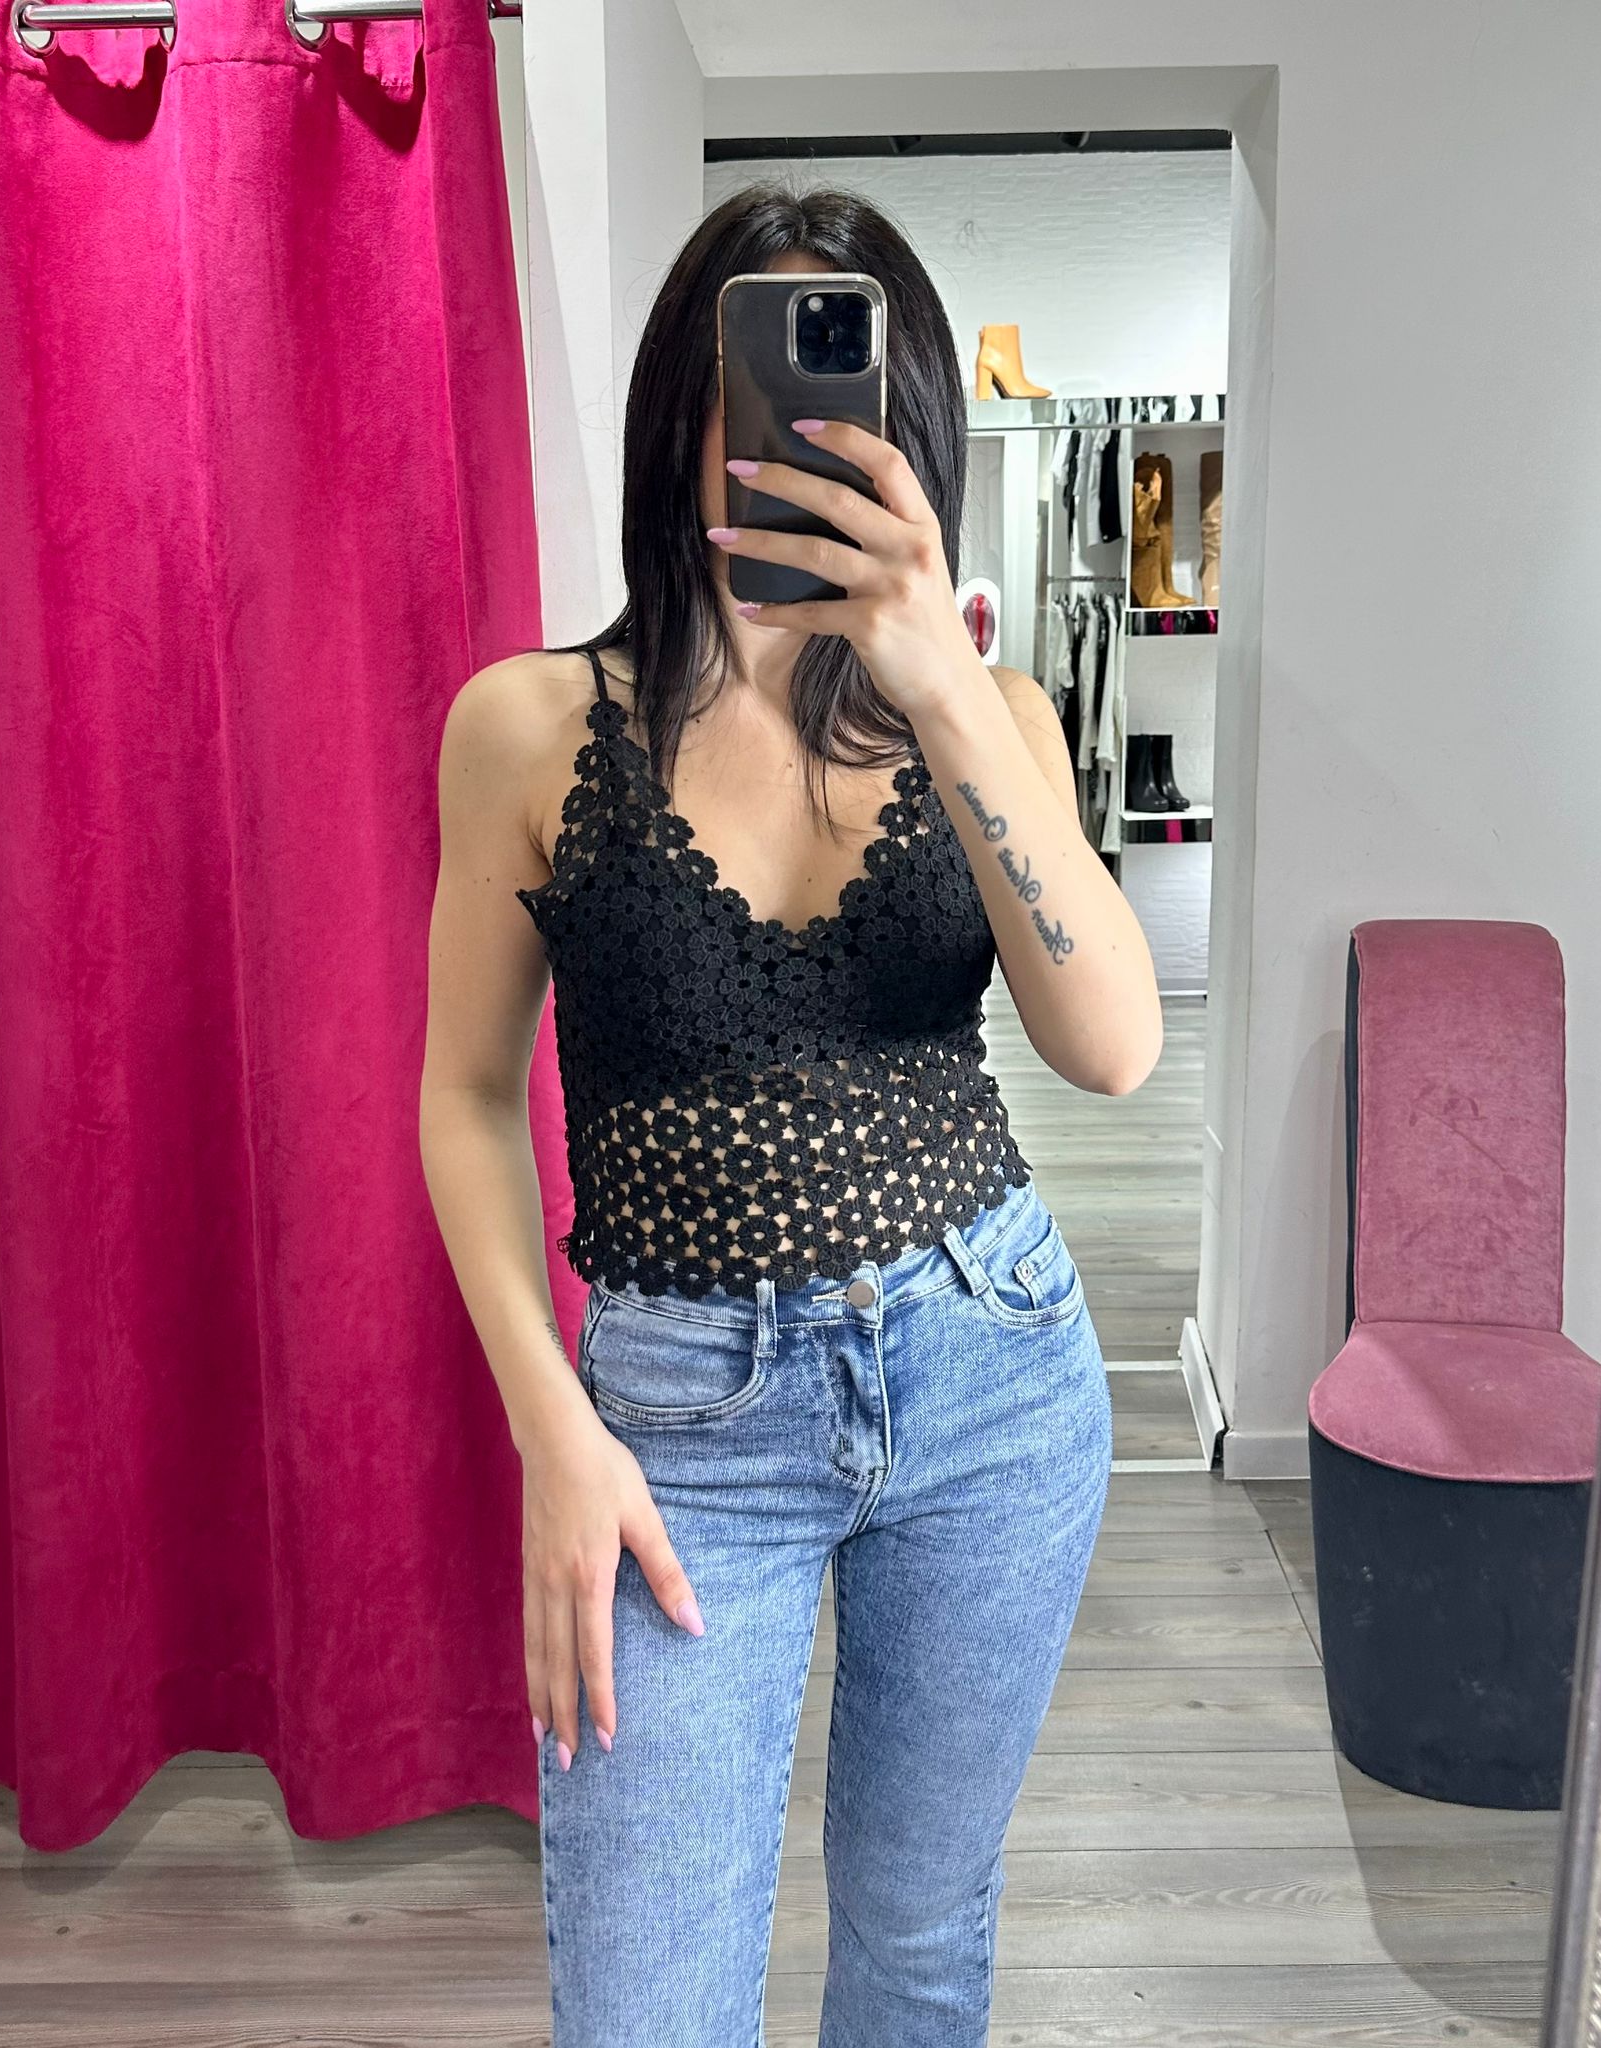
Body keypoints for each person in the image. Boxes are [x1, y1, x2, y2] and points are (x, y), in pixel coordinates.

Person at [419, 185, 1164, 2048]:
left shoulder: (991, 715)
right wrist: (552, 1430)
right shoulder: (528, 727)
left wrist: (940, 684)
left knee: (916, 1944)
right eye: (760, 393)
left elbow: (1111, 1048)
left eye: (856, 406)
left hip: (994, 1380)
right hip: (677, 1430)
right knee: (646, 2006)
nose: (804, 444)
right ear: (686, 414)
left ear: (916, 442)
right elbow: (464, 1096)